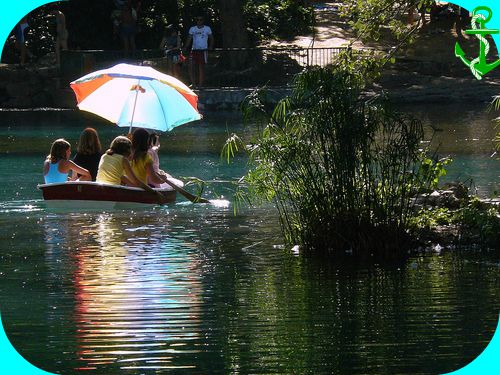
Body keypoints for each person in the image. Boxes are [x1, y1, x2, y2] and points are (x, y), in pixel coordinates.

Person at [96, 136, 166, 204]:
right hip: (114, 190)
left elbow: (122, 177)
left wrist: (135, 186)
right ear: (126, 150)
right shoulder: (123, 160)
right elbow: (136, 181)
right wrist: (154, 192)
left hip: (99, 188)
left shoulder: (104, 156)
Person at [185, 15, 214, 87]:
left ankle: (200, 84)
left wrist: (210, 46)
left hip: (203, 50)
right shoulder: (192, 29)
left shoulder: (207, 28)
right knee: (191, 66)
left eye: (200, 19)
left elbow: (211, 38)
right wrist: (186, 47)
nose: (199, 21)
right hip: (194, 50)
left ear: (203, 20)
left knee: (201, 67)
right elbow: (189, 39)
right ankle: (193, 83)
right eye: (197, 20)